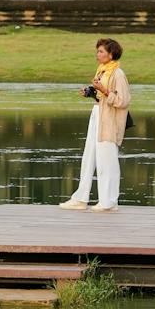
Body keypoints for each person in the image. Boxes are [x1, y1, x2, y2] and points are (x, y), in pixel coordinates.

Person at [58, 36, 131, 212]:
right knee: (88, 157)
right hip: (97, 114)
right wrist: (91, 92)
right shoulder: (102, 70)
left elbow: (123, 101)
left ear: (111, 54)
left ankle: (108, 202)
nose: (97, 54)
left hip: (110, 121)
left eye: (101, 51)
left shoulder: (118, 74)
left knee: (107, 160)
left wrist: (104, 90)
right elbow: (101, 96)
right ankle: (80, 199)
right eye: (97, 51)